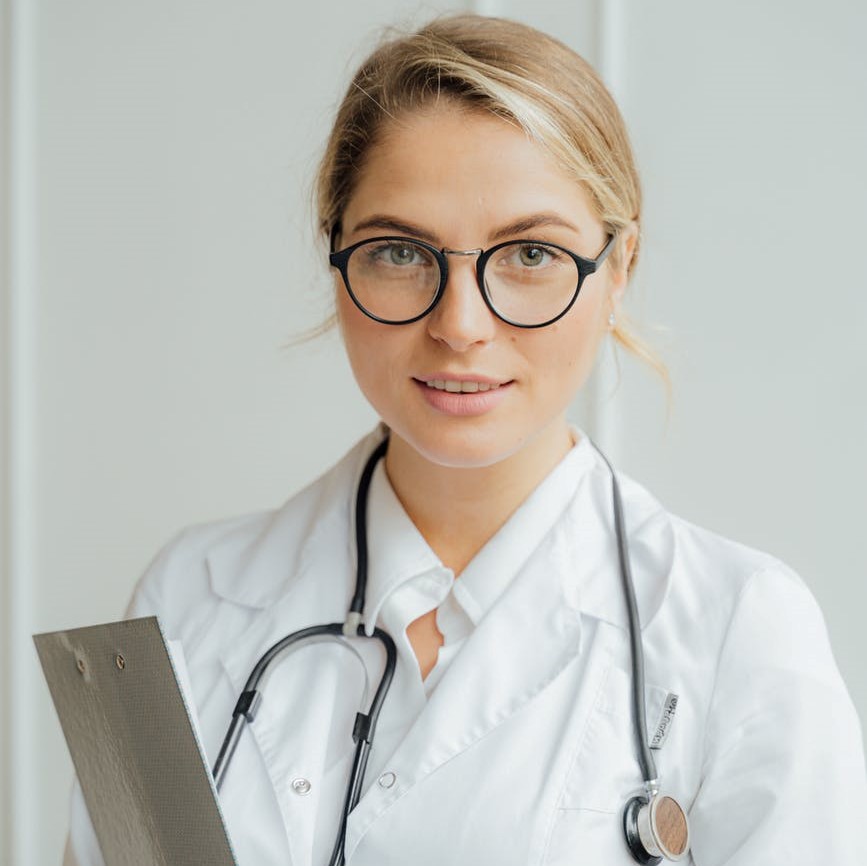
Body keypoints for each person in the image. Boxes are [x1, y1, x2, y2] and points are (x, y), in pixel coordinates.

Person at [65, 13, 867, 866]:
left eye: (528, 253)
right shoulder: (184, 598)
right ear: (335, 253)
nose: (460, 325)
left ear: (618, 265)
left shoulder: (740, 627)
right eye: (400, 252)